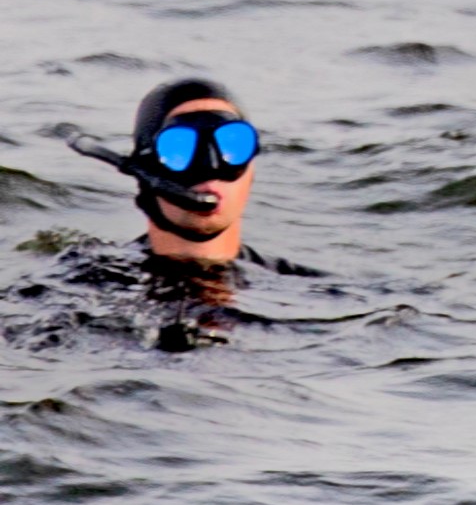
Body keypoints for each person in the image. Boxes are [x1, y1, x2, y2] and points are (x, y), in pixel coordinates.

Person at [39, 76, 316, 349]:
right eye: (180, 148)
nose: (210, 167)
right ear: (144, 170)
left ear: (252, 170)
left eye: (232, 145)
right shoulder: (84, 284)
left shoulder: (305, 289)